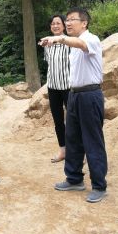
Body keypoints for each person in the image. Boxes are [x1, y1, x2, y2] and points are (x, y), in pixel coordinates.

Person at [39, 7, 108, 203]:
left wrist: (58, 38)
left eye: (72, 20)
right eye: (67, 20)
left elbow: (81, 44)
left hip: (90, 95)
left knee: (92, 140)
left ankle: (99, 185)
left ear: (84, 23)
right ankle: (74, 178)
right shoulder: (72, 45)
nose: (68, 23)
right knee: (73, 138)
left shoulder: (91, 39)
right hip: (74, 94)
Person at [44, 14, 70, 163]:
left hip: (68, 86)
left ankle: (80, 151)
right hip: (53, 87)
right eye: (53, 24)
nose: (55, 26)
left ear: (64, 26)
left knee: (73, 120)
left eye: (58, 23)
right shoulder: (47, 44)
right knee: (58, 120)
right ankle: (63, 150)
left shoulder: (70, 43)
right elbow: (49, 64)